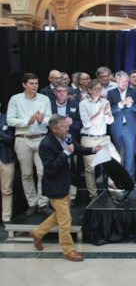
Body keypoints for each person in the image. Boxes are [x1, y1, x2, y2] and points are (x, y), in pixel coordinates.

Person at [29, 114, 99, 262]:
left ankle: (37, 232)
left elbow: (78, 149)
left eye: (68, 126)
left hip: (66, 183)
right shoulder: (46, 144)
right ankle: (68, 250)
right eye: (65, 127)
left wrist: (93, 149)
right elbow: (50, 168)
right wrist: (66, 152)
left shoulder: (66, 138)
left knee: (60, 215)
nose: (68, 129)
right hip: (54, 186)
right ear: (54, 129)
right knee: (65, 218)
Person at [7, 73, 53, 216]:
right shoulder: (15, 99)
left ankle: (43, 203)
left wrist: (41, 120)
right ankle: (32, 203)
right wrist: (29, 120)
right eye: (31, 83)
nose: (34, 86)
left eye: (36, 83)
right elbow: (10, 120)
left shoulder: (44, 99)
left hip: (40, 138)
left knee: (43, 172)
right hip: (23, 138)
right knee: (26, 174)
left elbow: (50, 119)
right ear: (24, 84)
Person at [79, 79, 121, 202]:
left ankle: (110, 182)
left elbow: (110, 121)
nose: (99, 91)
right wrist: (100, 112)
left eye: (100, 88)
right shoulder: (84, 104)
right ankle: (93, 194)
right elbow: (86, 123)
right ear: (89, 90)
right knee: (90, 168)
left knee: (116, 158)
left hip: (103, 137)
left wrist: (106, 113)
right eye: (96, 88)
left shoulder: (105, 101)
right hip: (89, 138)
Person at [51, 84, 83, 207]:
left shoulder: (75, 105)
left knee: (72, 168)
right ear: (55, 92)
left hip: (71, 140)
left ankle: (72, 196)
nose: (62, 93)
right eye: (59, 91)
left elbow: (81, 124)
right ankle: (57, 196)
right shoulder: (50, 105)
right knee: (57, 167)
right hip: (55, 141)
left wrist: (72, 123)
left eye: (64, 91)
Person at [107, 71, 136, 177]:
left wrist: (130, 104)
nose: (124, 83)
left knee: (130, 152)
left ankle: (129, 177)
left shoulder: (134, 92)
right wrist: (121, 104)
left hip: (129, 126)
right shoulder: (111, 93)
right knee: (116, 152)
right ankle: (117, 177)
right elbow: (109, 110)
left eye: (126, 81)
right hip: (116, 126)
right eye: (122, 80)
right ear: (117, 81)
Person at [0, 102, 16, 226]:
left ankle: (6, 218)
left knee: (6, 190)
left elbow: (11, 139)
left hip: (5, 158)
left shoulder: (7, 119)